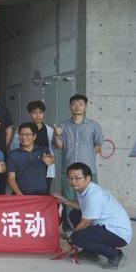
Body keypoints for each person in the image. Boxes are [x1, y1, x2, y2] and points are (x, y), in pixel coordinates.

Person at [53, 162, 132, 269]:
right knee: (75, 214)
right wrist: (64, 200)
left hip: (118, 233)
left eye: (77, 178)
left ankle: (115, 254)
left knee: (77, 237)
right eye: (70, 178)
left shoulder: (94, 195)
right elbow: (82, 206)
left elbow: (85, 223)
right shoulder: (84, 189)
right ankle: (91, 252)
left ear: (88, 178)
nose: (73, 181)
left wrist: (70, 241)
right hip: (105, 226)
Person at [53, 94, 104, 229]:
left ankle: (90, 228)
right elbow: (59, 145)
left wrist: (87, 157)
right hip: (68, 171)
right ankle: (69, 229)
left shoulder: (94, 125)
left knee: (90, 201)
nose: (77, 107)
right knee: (68, 201)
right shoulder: (63, 125)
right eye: (74, 104)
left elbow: (98, 145)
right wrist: (57, 135)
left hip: (88, 171)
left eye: (81, 104)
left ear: (85, 107)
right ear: (70, 107)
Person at [10, 101, 56, 191]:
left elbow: (53, 150)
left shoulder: (50, 130)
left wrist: (57, 136)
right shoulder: (21, 130)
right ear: (30, 114)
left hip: (45, 168)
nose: (37, 115)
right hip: (24, 170)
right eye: (34, 112)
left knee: (43, 194)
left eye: (40, 112)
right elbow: (14, 148)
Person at [7, 123, 54, 196]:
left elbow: (50, 159)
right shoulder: (13, 154)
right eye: (22, 134)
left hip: (41, 193)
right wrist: (19, 193)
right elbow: (11, 178)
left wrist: (50, 160)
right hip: (21, 194)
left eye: (28, 134)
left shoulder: (43, 150)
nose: (24, 137)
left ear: (34, 136)